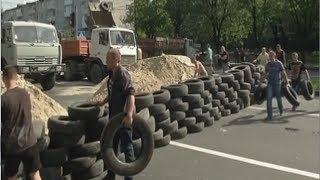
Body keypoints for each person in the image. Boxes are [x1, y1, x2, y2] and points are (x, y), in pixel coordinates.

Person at [95, 48, 136, 180]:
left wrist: (129, 114)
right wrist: (103, 101)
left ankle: (129, 178)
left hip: (123, 118)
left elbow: (131, 94)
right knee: (112, 147)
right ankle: (111, 175)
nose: (106, 61)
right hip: (114, 118)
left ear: (116, 59)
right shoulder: (112, 74)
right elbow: (113, 92)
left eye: (108, 58)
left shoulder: (122, 74)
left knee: (127, 147)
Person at [1, 66, 42, 180]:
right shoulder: (25, 93)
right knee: (35, 174)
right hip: (30, 142)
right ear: (16, 77)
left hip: (13, 146)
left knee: (12, 176)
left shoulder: (3, 99)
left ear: (4, 78)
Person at [265, 51, 289, 120]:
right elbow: (266, 73)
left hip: (277, 83)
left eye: (272, 55)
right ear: (269, 56)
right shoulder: (267, 64)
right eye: (270, 55)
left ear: (274, 56)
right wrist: (261, 79)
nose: (271, 56)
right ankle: (269, 115)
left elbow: (283, 72)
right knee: (269, 99)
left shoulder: (278, 63)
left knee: (278, 98)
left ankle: (281, 109)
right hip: (270, 83)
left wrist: (286, 81)